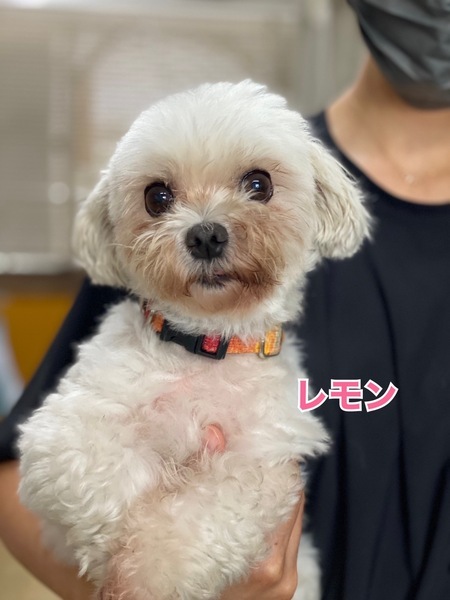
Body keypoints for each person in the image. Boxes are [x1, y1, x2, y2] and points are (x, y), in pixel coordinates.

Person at [1, 1, 449, 598]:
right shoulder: (129, 327)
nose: (206, 229)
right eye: (160, 199)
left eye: (255, 187)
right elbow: (27, 471)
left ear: (317, 201)